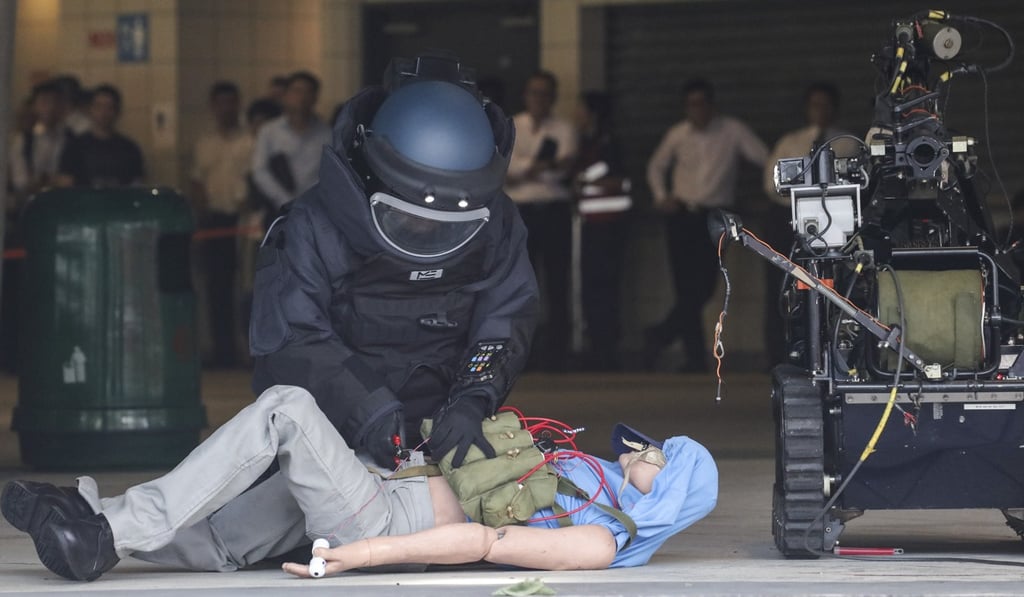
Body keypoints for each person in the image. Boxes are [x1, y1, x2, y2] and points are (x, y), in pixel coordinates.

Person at [0, 385, 718, 580]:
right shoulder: (588, 473)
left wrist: (362, 555)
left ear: (670, 488)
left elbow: (485, 541)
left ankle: (100, 525)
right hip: (385, 485)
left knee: (286, 408)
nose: (643, 449)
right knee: (223, 539)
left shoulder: (601, 538)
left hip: (382, 523)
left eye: (659, 454)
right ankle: (83, 520)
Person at [249, 52, 538, 474]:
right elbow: (296, 337)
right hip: (326, 420)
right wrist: (368, 411)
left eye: (445, 221)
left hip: (441, 425)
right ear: (374, 175)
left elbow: (506, 317)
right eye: (410, 215)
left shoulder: (497, 222)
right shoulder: (312, 224)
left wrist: (474, 398)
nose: (427, 229)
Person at [645, 78, 768, 372]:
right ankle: (694, 358)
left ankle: (661, 334)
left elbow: (764, 157)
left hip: (714, 216)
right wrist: (662, 197)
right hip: (682, 215)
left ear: (712, 105)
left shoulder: (732, 130)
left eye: (701, 104)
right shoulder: (678, 134)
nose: (696, 110)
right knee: (685, 289)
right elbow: (655, 166)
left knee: (704, 287)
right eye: (691, 105)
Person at [761, 82, 857, 365]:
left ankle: (829, 354)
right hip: (787, 219)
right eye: (815, 104)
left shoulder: (848, 141)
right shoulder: (790, 141)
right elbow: (770, 182)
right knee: (780, 287)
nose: (820, 111)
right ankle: (778, 355)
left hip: (832, 222)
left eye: (826, 105)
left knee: (830, 286)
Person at [504, 71, 578, 370]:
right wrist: (538, 166)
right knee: (522, 283)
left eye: (546, 93)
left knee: (557, 281)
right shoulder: (513, 125)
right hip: (521, 212)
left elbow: (565, 166)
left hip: (554, 209)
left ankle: (557, 352)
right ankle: (523, 352)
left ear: (553, 97)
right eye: (535, 93)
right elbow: (504, 167)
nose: (539, 99)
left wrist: (526, 169)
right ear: (526, 95)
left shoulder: (565, 128)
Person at [190, 81, 254, 369]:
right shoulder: (204, 142)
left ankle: (244, 349)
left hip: (244, 222)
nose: (226, 109)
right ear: (213, 107)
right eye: (221, 103)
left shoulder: (250, 141)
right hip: (214, 221)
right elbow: (196, 182)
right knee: (216, 289)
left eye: (232, 102)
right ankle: (220, 350)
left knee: (244, 287)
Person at [570, 91, 631, 371]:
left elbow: (620, 181)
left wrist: (583, 181)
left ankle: (606, 350)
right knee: (592, 290)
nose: (576, 115)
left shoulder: (608, 143)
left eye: (581, 110)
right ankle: (596, 346)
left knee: (605, 289)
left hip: (609, 226)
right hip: (590, 225)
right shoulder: (588, 142)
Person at [249, 71, 331, 216]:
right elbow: (260, 171)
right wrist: (285, 201)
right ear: (286, 96)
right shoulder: (269, 131)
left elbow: (330, 173)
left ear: (315, 97)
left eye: (308, 92)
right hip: (277, 209)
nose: (302, 97)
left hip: (316, 210)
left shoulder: (327, 134)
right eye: (297, 91)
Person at [56, 84, 144, 188]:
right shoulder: (74, 147)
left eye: (109, 107)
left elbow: (137, 185)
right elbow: (65, 183)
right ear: (90, 109)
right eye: (99, 106)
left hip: (119, 203)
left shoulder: (129, 148)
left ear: (117, 111)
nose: (103, 113)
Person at [8, 81, 69, 206]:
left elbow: (71, 180)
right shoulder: (24, 139)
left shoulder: (71, 139)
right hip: (30, 205)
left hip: (63, 204)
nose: (50, 108)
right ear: (35, 106)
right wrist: (49, 180)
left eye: (55, 102)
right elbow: (21, 182)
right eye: (44, 102)